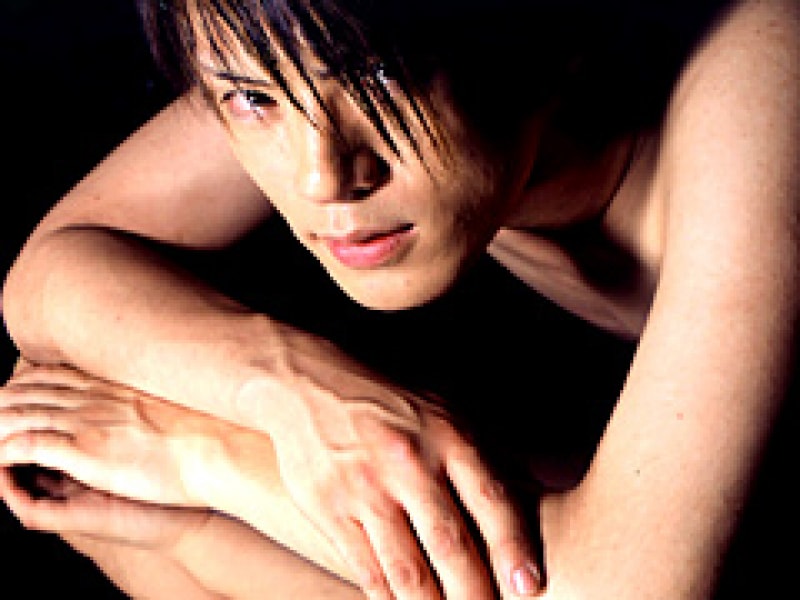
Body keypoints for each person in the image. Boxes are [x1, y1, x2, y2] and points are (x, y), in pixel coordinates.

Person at [1, 0, 798, 597]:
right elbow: (55, 270)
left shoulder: (766, 66)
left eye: (381, 77)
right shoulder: (299, 52)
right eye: (252, 99)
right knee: (96, 457)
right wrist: (286, 392)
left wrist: (203, 456)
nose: (323, 176)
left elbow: (626, 592)